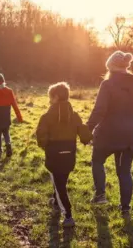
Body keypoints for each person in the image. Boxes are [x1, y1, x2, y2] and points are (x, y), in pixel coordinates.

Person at [87, 51, 133, 217]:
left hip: (107, 134)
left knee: (97, 161)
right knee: (124, 172)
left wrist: (88, 127)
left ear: (110, 67)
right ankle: (125, 209)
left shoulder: (107, 84)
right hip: (129, 135)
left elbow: (99, 110)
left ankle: (100, 195)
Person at [36, 82, 92, 227]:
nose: (49, 100)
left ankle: (68, 215)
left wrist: (46, 145)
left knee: (59, 184)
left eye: (50, 97)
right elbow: (84, 135)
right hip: (70, 154)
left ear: (55, 97)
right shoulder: (75, 116)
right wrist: (87, 139)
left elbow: (41, 137)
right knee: (61, 180)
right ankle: (55, 199)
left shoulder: (46, 117)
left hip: (54, 154)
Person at [0, 73, 23, 158]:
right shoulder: (9, 91)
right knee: (6, 132)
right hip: (6, 117)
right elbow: (15, 105)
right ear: (3, 81)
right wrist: (19, 117)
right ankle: (8, 144)